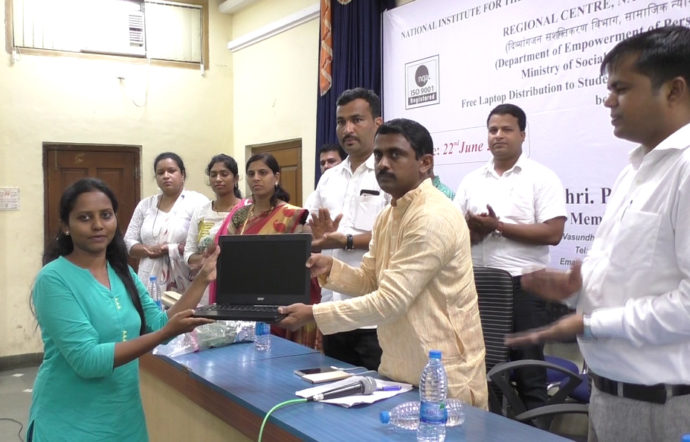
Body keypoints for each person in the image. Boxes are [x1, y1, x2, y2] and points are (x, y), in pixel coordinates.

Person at [505, 26, 690, 441]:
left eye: (622, 89)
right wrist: (576, 290)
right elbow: (639, 275)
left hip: (667, 409)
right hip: (609, 399)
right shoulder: (635, 169)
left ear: (674, 90)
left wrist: (592, 323)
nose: (608, 101)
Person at [279, 119, 488, 408]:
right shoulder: (388, 216)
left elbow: (389, 302)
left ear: (425, 163)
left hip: (444, 376)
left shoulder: (432, 216)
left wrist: (314, 313)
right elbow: (371, 279)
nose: (383, 164)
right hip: (398, 369)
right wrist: (331, 269)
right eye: (378, 155)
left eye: (395, 155)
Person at [27, 178, 218, 442]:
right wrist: (163, 335)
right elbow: (88, 360)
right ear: (65, 226)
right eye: (84, 217)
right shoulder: (54, 279)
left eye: (106, 215)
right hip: (69, 423)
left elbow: (160, 323)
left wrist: (203, 278)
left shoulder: (121, 271)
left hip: (124, 420)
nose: (98, 225)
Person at [453, 103, 566, 412]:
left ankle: (536, 433)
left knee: (529, 371)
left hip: (525, 289)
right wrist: (475, 233)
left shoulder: (541, 177)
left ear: (522, 135)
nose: (498, 136)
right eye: (492, 130)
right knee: (483, 370)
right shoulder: (472, 180)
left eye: (506, 129)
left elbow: (553, 232)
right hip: (478, 288)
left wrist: (498, 226)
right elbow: (455, 233)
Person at [305, 87, 390, 371]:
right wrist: (316, 239)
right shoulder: (329, 178)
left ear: (378, 122)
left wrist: (346, 240)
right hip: (335, 309)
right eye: (341, 122)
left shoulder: (389, 174)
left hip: (377, 314)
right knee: (337, 393)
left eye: (357, 120)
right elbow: (311, 232)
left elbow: (393, 236)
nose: (348, 129)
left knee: (380, 399)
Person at [213, 153, 319, 347]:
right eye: (251, 173)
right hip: (245, 299)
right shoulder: (240, 215)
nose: (256, 178)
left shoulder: (294, 215)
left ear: (276, 177)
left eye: (263, 172)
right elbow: (228, 257)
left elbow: (303, 261)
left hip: (281, 299)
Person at [125, 152, 208, 291]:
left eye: (171, 171)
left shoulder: (198, 202)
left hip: (186, 280)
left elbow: (205, 243)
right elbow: (128, 242)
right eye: (160, 172)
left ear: (182, 174)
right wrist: (149, 250)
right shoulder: (145, 205)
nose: (166, 176)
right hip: (149, 281)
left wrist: (171, 248)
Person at [184, 154, 248, 304]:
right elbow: (188, 253)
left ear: (236, 178)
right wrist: (205, 259)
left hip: (240, 284)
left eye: (224, 174)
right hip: (205, 287)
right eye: (213, 175)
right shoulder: (201, 211)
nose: (218, 179)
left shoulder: (247, 210)